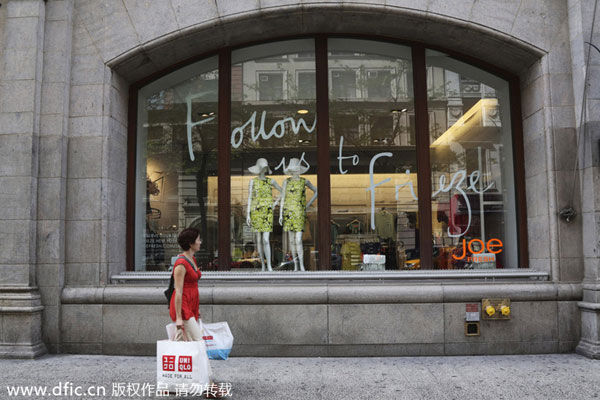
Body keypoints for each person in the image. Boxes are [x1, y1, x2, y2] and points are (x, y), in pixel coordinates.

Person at [170, 227, 227, 399]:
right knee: (199, 344)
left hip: (191, 305)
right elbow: (178, 291)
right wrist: (179, 317)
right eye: (198, 239)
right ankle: (209, 386)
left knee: (180, 344)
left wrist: (196, 308)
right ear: (190, 243)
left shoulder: (191, 259)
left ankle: (172, 381)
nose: (200, 242)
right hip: (183, 307)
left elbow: (192, 287)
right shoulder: (181, 264)